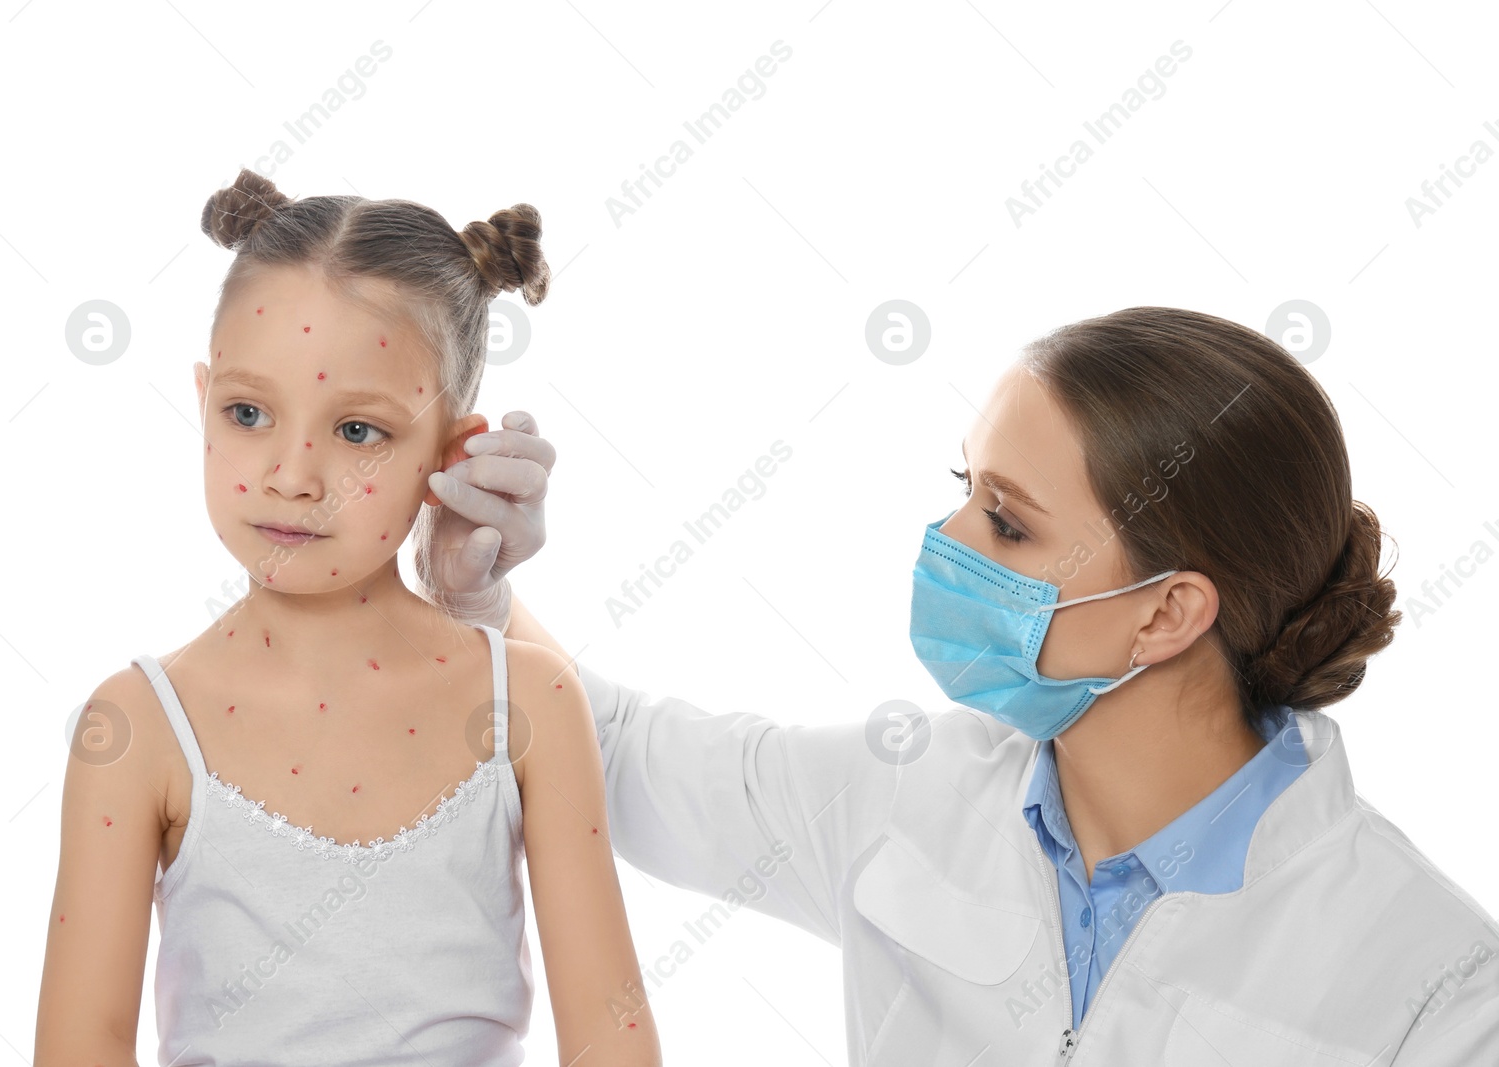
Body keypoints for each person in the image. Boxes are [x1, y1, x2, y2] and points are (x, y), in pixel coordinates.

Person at [420, 307, 1499, 1064]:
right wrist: (480, 597)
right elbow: (623, 755)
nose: (947, 541)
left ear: (1167, 612)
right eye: (964, 491)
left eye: (1008, 521)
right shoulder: (913, 791)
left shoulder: (1435, 981)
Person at [33, 169, 661, 1067]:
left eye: (359, 431)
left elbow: (613, 1041)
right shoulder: (135, 727)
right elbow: (79, 1048)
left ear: (452, 453)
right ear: (202, 399)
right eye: (248, 412)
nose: (291, 473)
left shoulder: (528, 700)